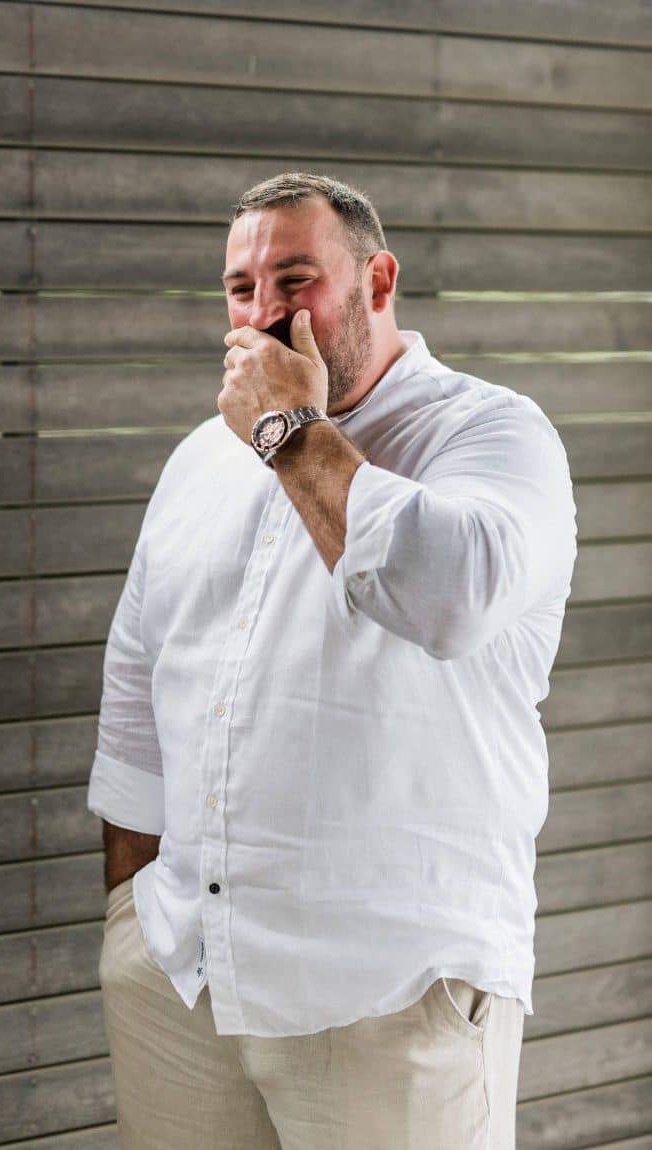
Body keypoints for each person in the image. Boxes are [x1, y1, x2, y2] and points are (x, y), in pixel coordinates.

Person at [87, 172, 577, 1150]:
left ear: (378, 279)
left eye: (295, 278)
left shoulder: (492, 433)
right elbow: (139, 693)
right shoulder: (196, 462)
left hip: (389, 988)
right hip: (183, 972)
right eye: (240, 288)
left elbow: (450, 595)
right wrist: (129, 918)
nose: (264, 312)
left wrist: (289, 431)